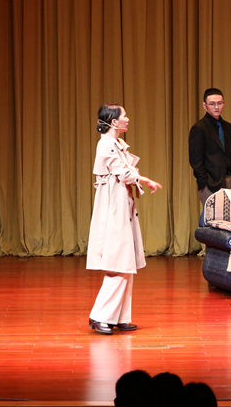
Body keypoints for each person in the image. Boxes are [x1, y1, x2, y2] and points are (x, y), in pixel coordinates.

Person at [87, 103, 162, 335]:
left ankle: (118, 316)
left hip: (122, 205)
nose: (127, 119)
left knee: (125, 264)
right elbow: (123, 171)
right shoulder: (105, 144)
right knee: (117, 263)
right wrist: (146, 180)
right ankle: (99, 316)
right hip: (113, 208)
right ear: (113, 121)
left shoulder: (116, 143)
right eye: (124, 116)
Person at [189, 88, 231, 206]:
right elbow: (195, 159)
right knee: (214, 215)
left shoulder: (228, 127)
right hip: (210, 183)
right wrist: (204, 182)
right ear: (205, 106)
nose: (216, 107)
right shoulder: (199, 128)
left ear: (223, 104)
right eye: (212, 104)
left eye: (219, 103)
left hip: (230, 179)